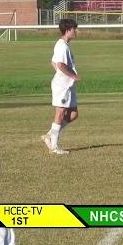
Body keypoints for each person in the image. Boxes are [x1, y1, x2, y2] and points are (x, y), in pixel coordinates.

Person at [41, 18, 80, 155]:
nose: (76, 31)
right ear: (68, 30)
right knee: (60, 112)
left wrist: (64, 75)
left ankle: (50, 135)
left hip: (67, 85)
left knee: (73, 114)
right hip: (62, 86)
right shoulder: (62, 46)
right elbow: (60, 65)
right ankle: (54, 146)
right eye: (74, 29)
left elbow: (53, 62)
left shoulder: (64, 45)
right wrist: (73, 76)